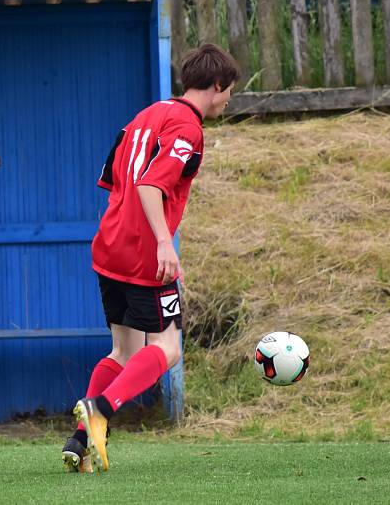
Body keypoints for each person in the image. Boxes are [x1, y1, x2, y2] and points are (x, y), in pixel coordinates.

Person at [62, 44, 240, 473]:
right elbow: (148, 185)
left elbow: (112, 179)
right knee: (169, 348)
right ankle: (101, 409)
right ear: (216, 86)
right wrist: (164, 243)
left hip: (109, 246)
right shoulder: (188, 129)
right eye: (230, 90)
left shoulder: (144, 116)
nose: (230, 99)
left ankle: (80, 439)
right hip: (144, 255)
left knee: (124, 351)